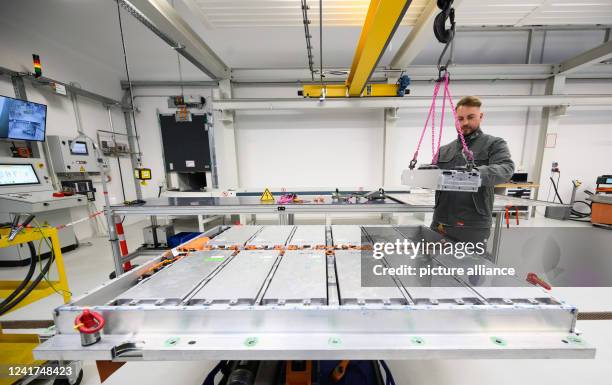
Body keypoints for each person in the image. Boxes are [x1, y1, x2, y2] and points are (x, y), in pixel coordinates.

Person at [431, 96, 515, 248]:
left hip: (473, 224)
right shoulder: (444, 150)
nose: (465, 123)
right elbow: (433, 176)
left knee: (470, 269)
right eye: (460, 119)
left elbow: (506, 168)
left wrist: (474, 174)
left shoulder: (494, 144)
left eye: (470, 117)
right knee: (435, 268)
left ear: (481, 116)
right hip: (441, 222)